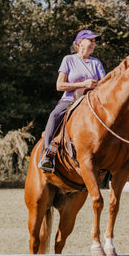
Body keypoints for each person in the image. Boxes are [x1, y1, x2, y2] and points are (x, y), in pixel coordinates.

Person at [38, 29, 106, 172]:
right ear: (80, 42)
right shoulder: (68, 60)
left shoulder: (96, 62)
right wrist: (83, 84)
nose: (94, 44)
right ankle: (47, 155)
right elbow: (59, 85)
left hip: (92, 102)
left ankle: (117, 163)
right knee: (54, 116)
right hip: (70, 100)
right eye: (90, 40)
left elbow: (104, 85)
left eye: (95, 41)